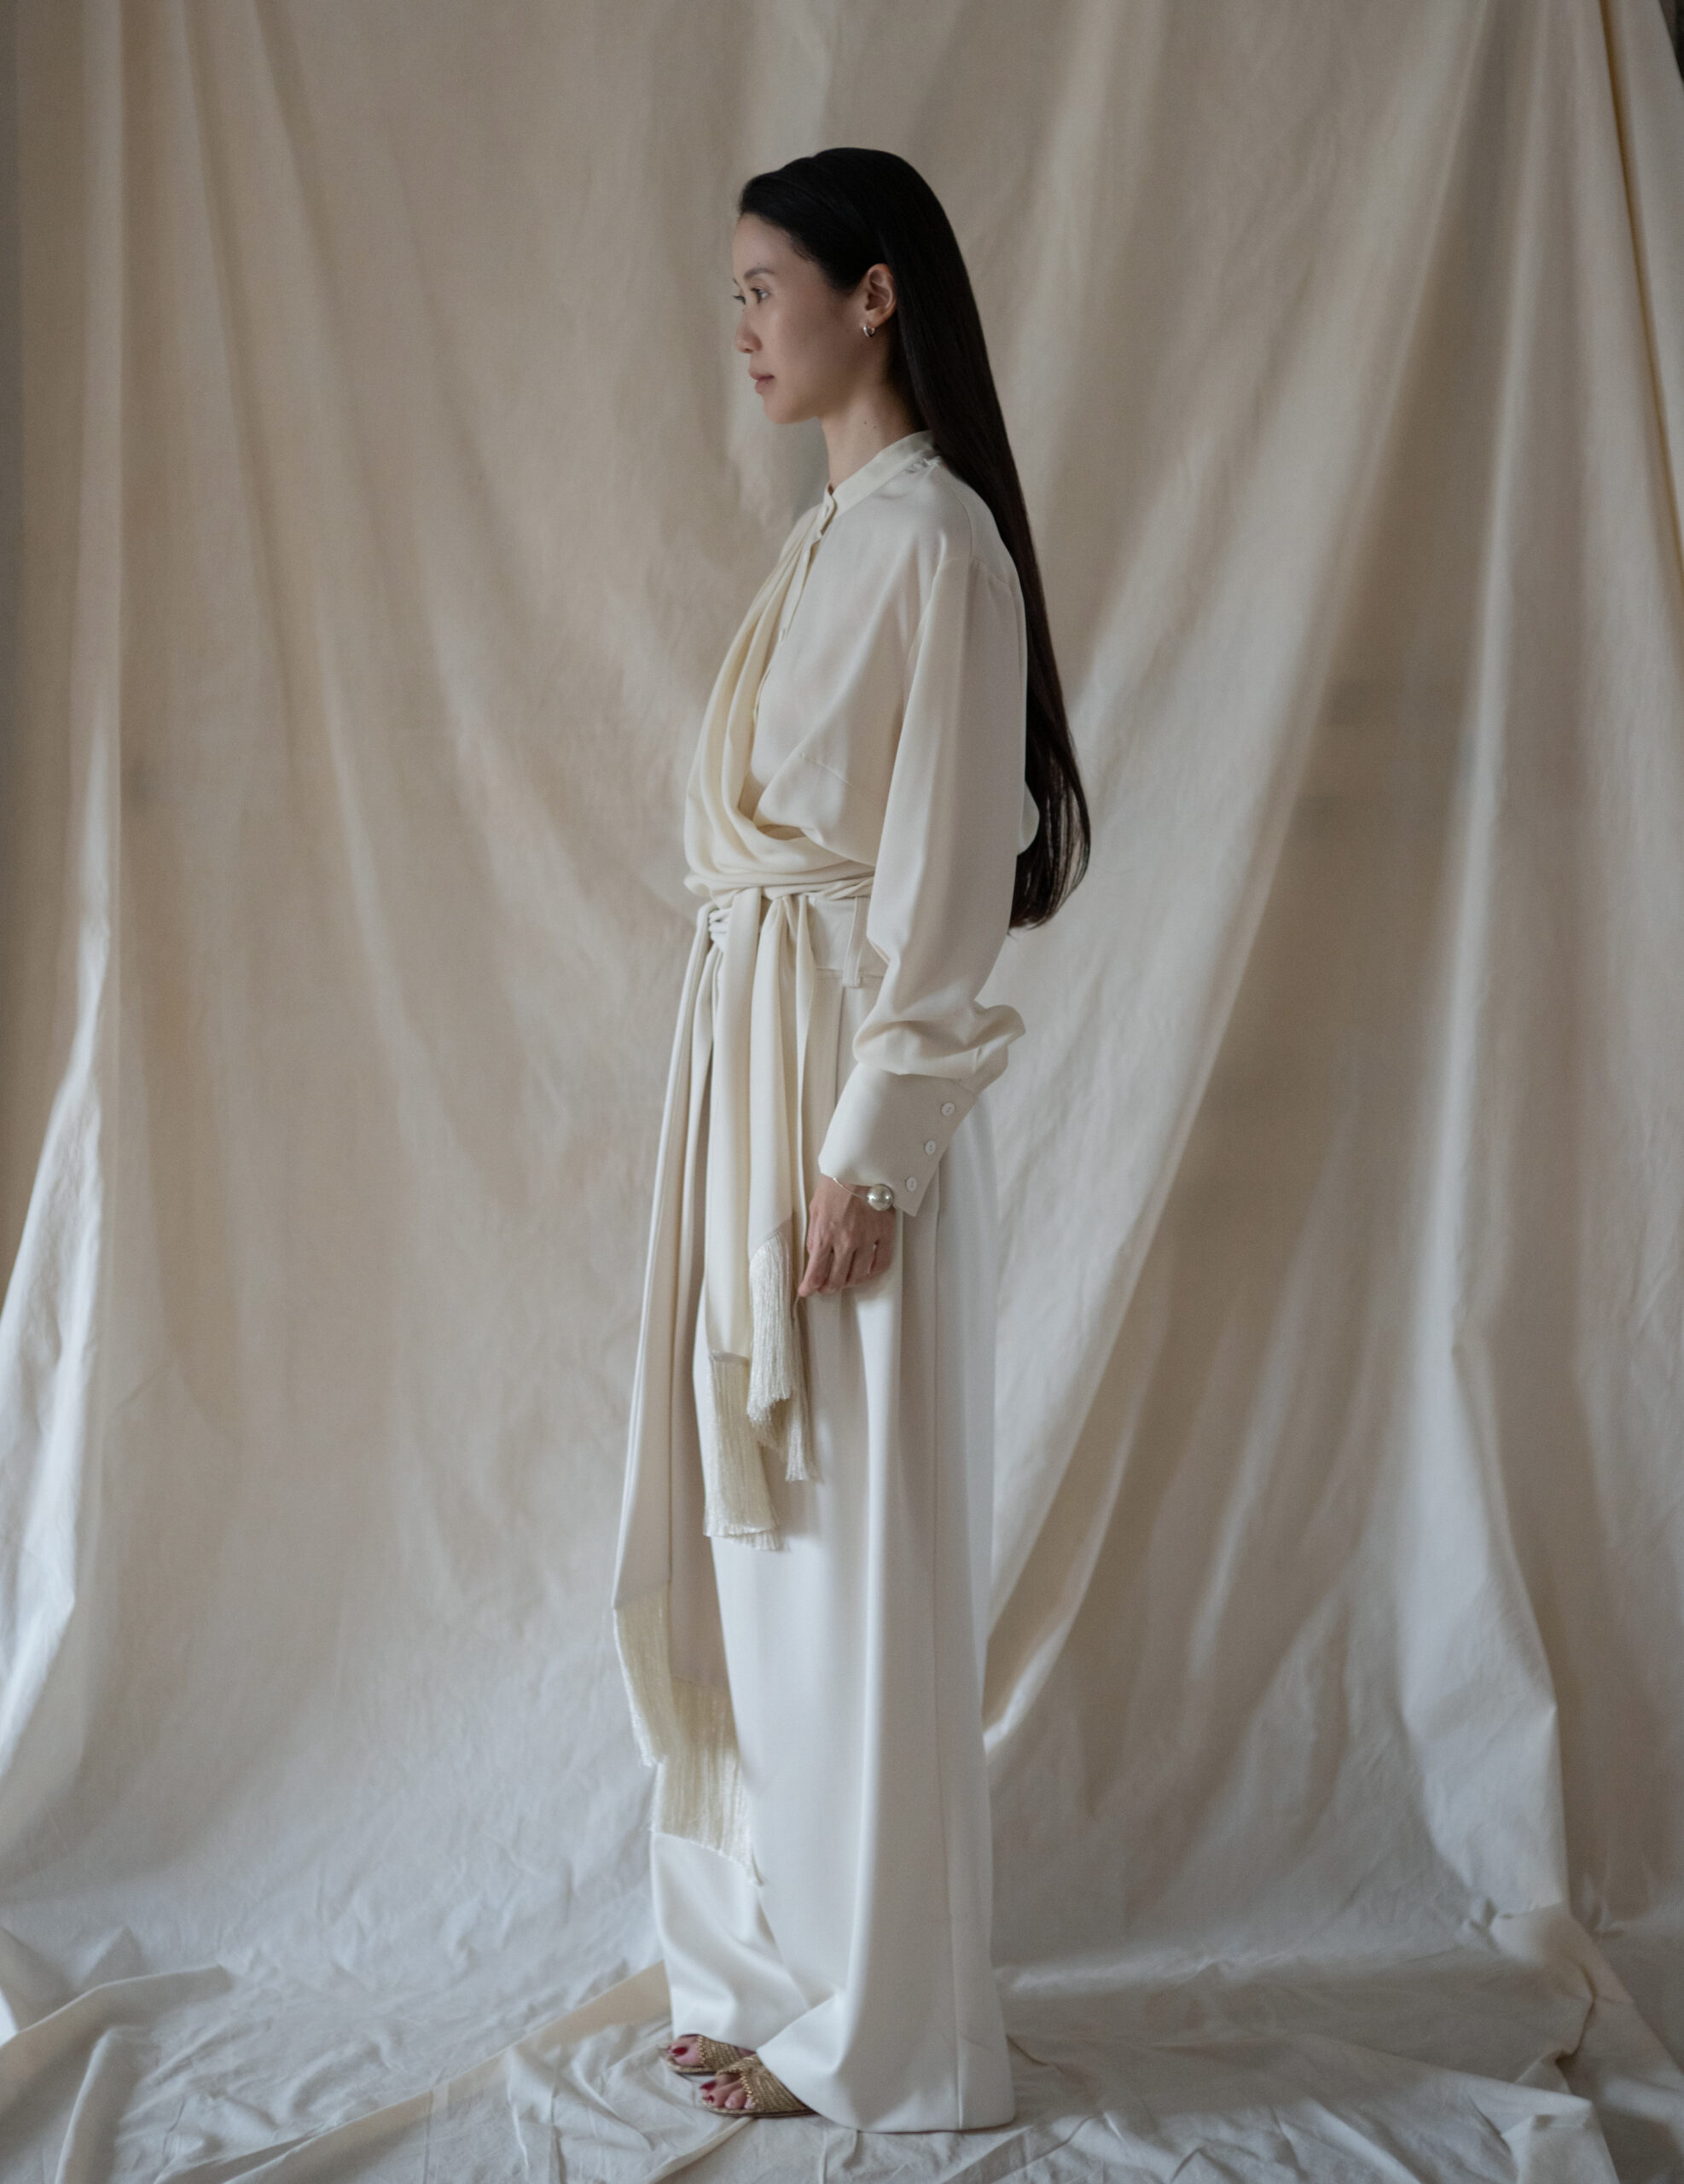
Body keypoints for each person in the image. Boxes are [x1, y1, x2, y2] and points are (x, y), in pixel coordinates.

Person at [610, 145, 1089, 2130]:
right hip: (744, 1075)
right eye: (731, 292)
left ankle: (878, 2025)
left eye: (762, 286)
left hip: (833, 1099)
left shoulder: (939, 545)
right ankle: (769, 1967)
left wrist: (870, 1145)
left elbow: (946, 865)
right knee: (749, 1545)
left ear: (872, 292)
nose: (740, 325)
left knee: (849, 1554)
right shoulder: (827, 541)